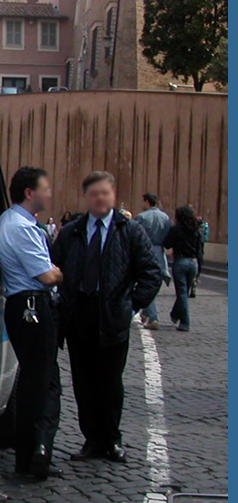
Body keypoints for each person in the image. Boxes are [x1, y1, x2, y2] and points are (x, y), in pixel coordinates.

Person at [51, 171, 161, 463]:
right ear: (87, 197)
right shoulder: (73, 231)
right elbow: (53, 265)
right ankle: (91, 440)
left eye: (105, 193)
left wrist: (131, 304)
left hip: (111, 315)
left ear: (113, 196)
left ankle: (111, 439)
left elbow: (151, 272)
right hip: (78, 314)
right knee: (83, 382)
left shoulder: (130, 230)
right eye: (94, 193)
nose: (100, 198)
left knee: (110, 382)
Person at [0, 166, 64, 479]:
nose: (49, 193)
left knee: (38, 381)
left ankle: (33, 452)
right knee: (43, 383)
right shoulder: (21, 226)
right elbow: (47, 275)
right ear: (29, 192)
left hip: (24, 306)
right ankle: (35, 453)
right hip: (33, 305)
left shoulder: (13, 222)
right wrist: (60, 271)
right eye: (45, 188)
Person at [135, 192, 171, 330]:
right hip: (160, 253)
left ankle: (153, 316)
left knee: (146, 285)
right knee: (154, 284)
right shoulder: (165, 217)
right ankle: (146, 313)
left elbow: (136, 236)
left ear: (146, 202)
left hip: (145, 251)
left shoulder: (142, 217)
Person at [163, 205, 203, 331]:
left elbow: (167, 244)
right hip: (193, 263)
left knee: (181, 292)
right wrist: (199, 270)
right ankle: (175, 314)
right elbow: (200, 251)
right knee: (184, 292)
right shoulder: (197, 230)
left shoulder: (176, 229)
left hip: (180, 261)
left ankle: (185, 322)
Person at [190, 214, 209, 297]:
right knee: (196, 272)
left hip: (193, 255)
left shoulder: (192, 231)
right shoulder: (200, 232)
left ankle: (193, 284)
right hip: (198, 254)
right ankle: (194, 283)